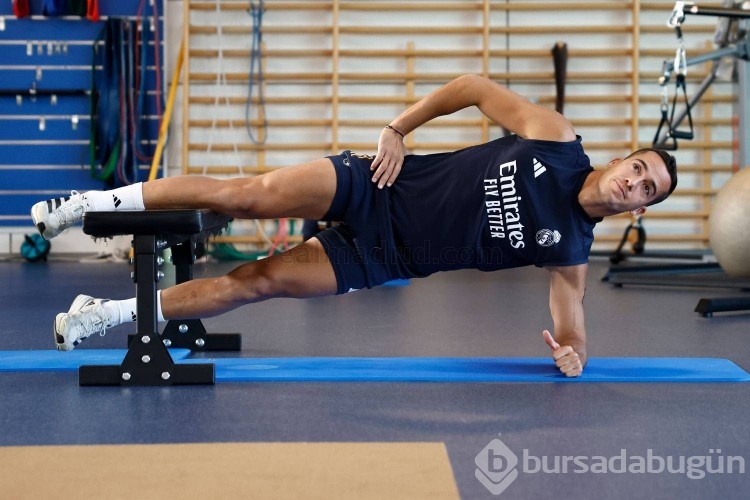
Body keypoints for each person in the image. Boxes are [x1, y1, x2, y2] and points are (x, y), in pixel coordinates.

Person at [31, 74, 677, 377]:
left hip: (380, 258)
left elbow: (574, 328)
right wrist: (398, 128)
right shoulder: (557, 140)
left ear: (639, 209)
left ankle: (104, 312)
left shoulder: (571, 249)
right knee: (246, 195)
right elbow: (475, 87)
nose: (635, 182)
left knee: (255, 282)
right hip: (379, 182)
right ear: (624, 155)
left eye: (647, 190)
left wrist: (575, 356)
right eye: (640, 167)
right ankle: (90, 204)